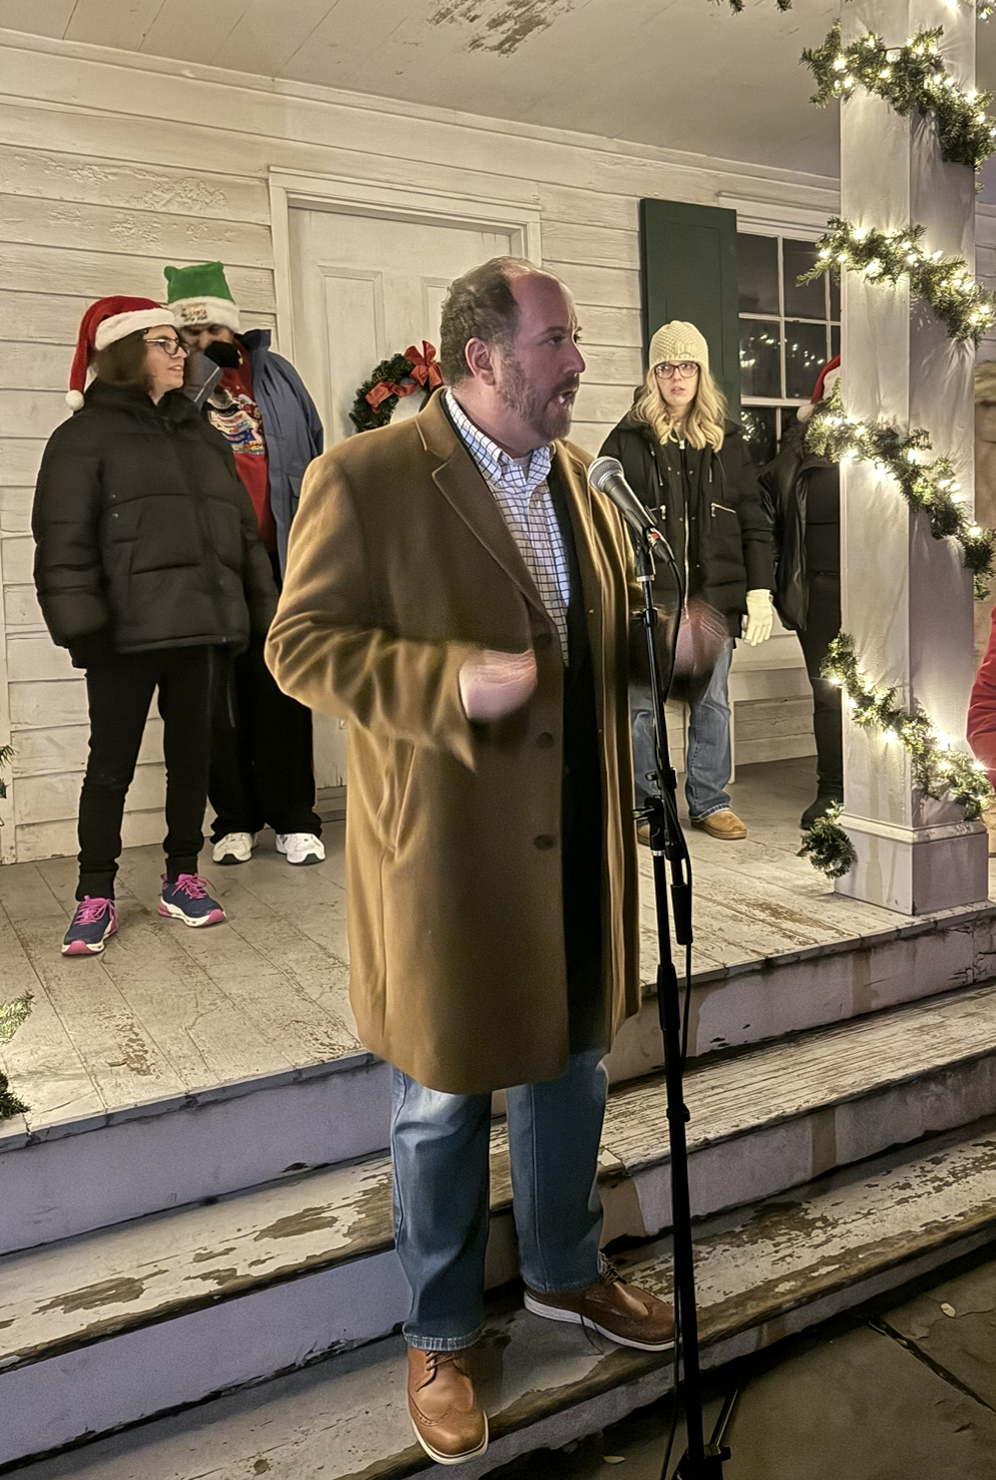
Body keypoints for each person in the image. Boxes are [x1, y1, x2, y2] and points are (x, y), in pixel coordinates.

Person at [266, 258, 674, 1467]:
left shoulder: (584, 484)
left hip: (580, 843)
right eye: (559, 341)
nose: (580, 362)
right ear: (486, 356)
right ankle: (441, 1332)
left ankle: (564, 1270)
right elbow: (300, 645)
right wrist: (442, 682)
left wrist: (676, 652)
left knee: (574, 1067)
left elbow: (602, 650)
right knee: (442, 1102)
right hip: (446, 856)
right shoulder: (366, 477)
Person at [32, 296, 277, 955]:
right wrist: (83, 628)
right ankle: (95, 893)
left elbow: (239, 535)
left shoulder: (204, 435)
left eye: (180, 343)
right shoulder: (82, 438)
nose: (180, 353)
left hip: (201, 630)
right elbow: (63, 541)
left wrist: (259, 613)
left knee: (192, 761)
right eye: (164, 342)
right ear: (124, 352)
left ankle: (182, 877)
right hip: (122, 635)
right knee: (110, 765)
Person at [163, 261, 326, 868]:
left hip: (279, 560)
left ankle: (294, 816)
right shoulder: (176, 386)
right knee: (216, 699)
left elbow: (315, 453)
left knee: (282, 686)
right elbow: (166, 440)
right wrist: (201, 374)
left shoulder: (277, 375)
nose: (205, 342)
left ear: (233, 326)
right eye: (191, 334)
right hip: (206, 568)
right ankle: (233, 819)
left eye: (213, 331)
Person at [600, 322, 774, 842]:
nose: (677, 377)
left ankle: (709, 800)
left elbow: (754, 520)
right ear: (653, 375)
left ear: (701, 373)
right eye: (666, 367)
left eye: (687, 366)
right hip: (650, 597)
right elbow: (601, 518)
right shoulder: (627, 439)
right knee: (643, 706)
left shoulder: (728, 441)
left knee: (712, 701)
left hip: (714, 597)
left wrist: (759, 591)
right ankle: (649, 805)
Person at [759, 357, 843, 829]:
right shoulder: (793, 459)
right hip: (820, 593)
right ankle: (833, 789)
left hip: (883, 592)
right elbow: (765, 523)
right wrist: (775, 584)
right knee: (830, 695)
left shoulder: (893, 451)